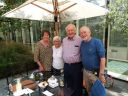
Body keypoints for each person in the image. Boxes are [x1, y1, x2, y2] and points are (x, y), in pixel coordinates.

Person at [80, 26, 106, 94]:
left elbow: (102, 58)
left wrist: (102, 74)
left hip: (96, 73)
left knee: (98, 92)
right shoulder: (82, 43)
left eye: (84, 32)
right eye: (81, 33)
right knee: (89, 91)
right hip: (85, 72)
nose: (83, 34)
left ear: (90, 32)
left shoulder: (97, 42)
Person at [62, 24, 83, 96]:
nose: (70, 32)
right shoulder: (64, 40)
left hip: (76, 67)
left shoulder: (80, 39)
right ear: (66, 32)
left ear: (75, 31)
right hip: (66, 66)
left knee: (77, 85)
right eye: (68, 30)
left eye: (72, 30)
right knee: (68, 84)